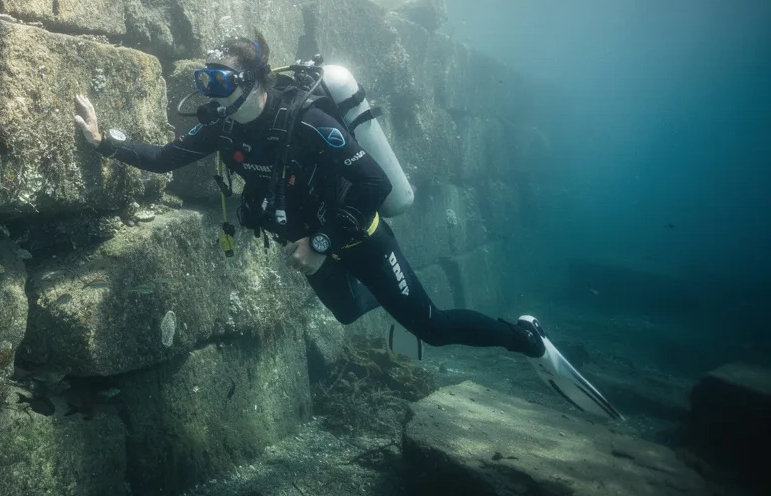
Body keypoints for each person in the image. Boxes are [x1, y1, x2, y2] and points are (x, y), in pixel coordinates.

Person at [72, 33, 620, 420]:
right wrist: (104, 142)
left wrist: (323, 240)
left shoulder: (308, 123)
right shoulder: (223, 128)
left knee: (431, 325)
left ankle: (525, 338)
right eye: (204, 79)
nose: (208, 92)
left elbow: (375, 186)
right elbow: (167, 156)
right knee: (349, 311)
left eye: (217, 81)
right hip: (306, 243)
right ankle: (391, 304)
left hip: (358, 235)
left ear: (251, 82)